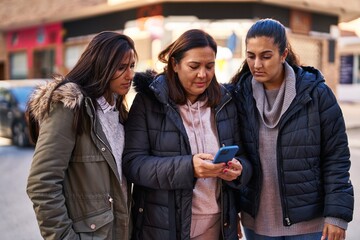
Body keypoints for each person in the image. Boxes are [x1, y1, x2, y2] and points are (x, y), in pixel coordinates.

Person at [230, 18, 354, 240]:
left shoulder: (316, 94)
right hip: (257, 223)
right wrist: (230, 213)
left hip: (309, 223)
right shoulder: (239, 97)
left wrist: (336, 215)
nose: (257, 64)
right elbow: (236, 157)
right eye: (251, 56)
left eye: (266, 56)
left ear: (283, 54)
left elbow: (336, 157)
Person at [122, 29, 252, 240]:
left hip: (217, 226)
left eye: (209, 66)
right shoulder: (148, 102)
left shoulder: (225, 103)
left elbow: (246, 159)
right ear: (175, 64)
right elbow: (133, 164)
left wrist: (239, 170)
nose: (203, 74)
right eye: (194, 66)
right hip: (163, 227)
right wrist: (189, 167)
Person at [26, 31, 137, 239]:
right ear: (101, 66)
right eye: (121, 67)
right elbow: (42, 183)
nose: (130, 75)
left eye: (131, 66)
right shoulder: (70, 109)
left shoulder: (118, 112)